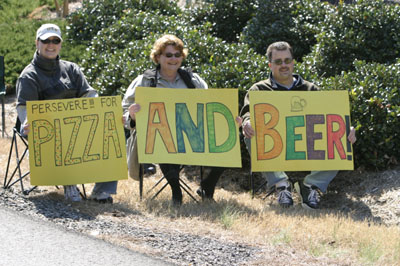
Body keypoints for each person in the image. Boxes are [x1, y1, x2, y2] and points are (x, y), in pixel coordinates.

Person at [240, 41, 357, 210]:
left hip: (307, 145)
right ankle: (282, 185)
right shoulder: (258, 89)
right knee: (252, 134)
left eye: (287, 60)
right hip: (276, 145)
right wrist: (247, 122)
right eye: (278, 62)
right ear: (270, 65)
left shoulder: (310, 89)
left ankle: (310, 186)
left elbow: (328, 117)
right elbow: (247, 112)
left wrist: (346, 128)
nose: (284, 65)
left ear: (293, 62)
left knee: (343, 139)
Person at [122, 34, 233, 205]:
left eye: (177, 55)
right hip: (157, 137)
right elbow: (124, 111)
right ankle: (176, 191)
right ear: (158, 57)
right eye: (168, 55)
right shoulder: (145, 80)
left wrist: (228, 122)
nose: (173, 59)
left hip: (191, 136)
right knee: (164, 137)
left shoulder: (193, 81)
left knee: (228, 139)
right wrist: (132, 115)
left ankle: (207, 186)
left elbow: (209, 106)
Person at [16, 23, 118, 203]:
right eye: (46, 40)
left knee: (111, 132)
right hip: (45, 132)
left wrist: (100, 112)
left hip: (78, 126)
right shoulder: (29, 76)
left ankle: (101, 192)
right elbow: (24, 108)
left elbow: (89, 94)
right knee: (64, 133)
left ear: (60, 44)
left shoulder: (71, 69)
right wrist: (27, 123)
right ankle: (70, 183)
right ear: (37, 43)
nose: (51, 45)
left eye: (55, 41)